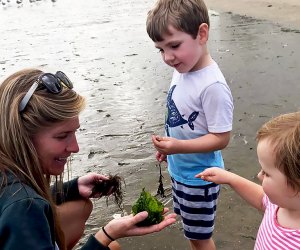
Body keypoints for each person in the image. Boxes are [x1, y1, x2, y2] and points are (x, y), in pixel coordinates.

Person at [0, 69, 177, 250]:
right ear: (20, 136)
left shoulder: (9, 179)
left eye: (74, 132)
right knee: (111, 246)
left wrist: (73, 188)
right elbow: (24, 204)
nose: (75, 148)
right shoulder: (24, 209)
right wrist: (106, 235)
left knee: (79, 206)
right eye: (62, 136)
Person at [146, 0, 234, 249]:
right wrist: (168, 147)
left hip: (200, 178)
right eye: (160, 49)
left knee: (200, 238)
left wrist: (178, 146)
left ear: (202, 34)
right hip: (180, 171)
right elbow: (179, 114)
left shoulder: (213, 87)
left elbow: (221, 138)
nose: (168, 57)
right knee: (191, 232)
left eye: (174, 45)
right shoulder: (183, 69)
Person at [197, 112, 300, 249]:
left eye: (267, 174)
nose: (259, 175)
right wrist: (229, 178)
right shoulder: (281, 205)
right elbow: (262, 199)